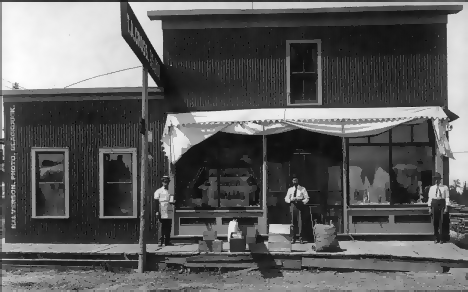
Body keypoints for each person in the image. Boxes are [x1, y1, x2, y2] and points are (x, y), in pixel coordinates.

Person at [284, 176, 309, 244]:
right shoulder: (290, 189)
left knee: (300, 222)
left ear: (298, 181)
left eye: (296, 180)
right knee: (293, 222)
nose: (294, 182)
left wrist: (302, 201)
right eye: (293, 180)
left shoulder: (302, 189)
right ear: (292, 181)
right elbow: (286, 199)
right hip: (293, 205)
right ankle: (293, 238)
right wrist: (291, 199)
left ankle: (301, 238)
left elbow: (307, 198)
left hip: (300, 205)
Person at [427, 172, 450, 244]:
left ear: (440, 180)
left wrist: (446, 207)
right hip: (434, 204)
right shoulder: (432, 188)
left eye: (438, 179)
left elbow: (447, 198)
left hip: (442, 203)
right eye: (435, 179)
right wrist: (429, 207)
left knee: (442, 221)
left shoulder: (445, 187)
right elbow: (430, 198)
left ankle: (442, 238)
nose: (436, 180)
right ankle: (436, 238)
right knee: (435, 222)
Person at [154, 175, 176, 247]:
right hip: (161, 210)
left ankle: (167, 241)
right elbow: (156, 202)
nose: (165, 183)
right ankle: (160, 242)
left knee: (168, 226)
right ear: (162, 182)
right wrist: (157, 211)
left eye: (167, 182)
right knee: (161, 226)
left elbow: (171, 200)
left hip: (169, 210)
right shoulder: (158, 191)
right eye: (164, 181)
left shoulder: (170, 191)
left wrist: (173, 202)